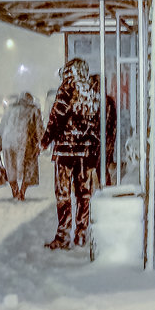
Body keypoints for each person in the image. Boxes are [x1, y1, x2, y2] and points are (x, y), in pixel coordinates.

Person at [40, 58, 99, 250]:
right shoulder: (92, 91)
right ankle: (81, 234)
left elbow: (57, 118)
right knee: (84, 195)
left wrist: (45, 140)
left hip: (66, 153)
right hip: (86, 154)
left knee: (63, 195)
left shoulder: (67, 88)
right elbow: (97, 123)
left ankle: (63, 236)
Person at [0, 92, 44, 201]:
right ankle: (22, 192)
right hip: (26, 142)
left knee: (11, 168)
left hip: (8, 142)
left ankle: (15, 192)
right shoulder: (33, 109)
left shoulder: (10, 108)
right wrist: (42, 143)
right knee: (29, 166)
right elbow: (39, 128)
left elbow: (2, 127)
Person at [90, 73, 117, 186]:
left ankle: (105, 189)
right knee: (99, 167)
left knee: (100, 167)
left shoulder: (105, 102)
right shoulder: (107, 101)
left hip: (101, 141)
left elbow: (111, 123)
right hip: (101, 141)